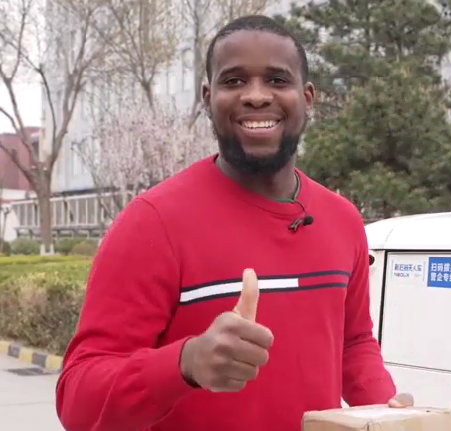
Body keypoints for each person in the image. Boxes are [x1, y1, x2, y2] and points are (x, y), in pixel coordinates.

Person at [55, 14, 414, 431]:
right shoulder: (153, 222)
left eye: (277, 80)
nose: (256, 96)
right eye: (234, 80)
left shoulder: (343, 219)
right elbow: (77, 400)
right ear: (208, 98)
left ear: (307, 98)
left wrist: (385, 407)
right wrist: (185, 364)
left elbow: (352, 344)